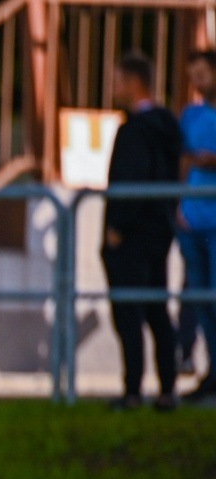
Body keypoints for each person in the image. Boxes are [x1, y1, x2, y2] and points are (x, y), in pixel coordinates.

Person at [104, 52, 183, 411]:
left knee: (130, 313)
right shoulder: (167, 127)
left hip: (132, 236)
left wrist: (117, 226)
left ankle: (133, 390)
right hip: (160, 231)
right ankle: (168, 388)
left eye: (118, 80)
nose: (114, 87)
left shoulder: (136, 131)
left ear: (134, 83)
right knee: (156, 309)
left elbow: (131, 179)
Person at [180, 51, 216, 404]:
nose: (198, 81)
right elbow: (181, 159)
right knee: (201, 300)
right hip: (192, 219)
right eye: (194, 75)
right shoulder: (191, 115)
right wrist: (178, 203)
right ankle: (212, 372)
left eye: (203, 73)